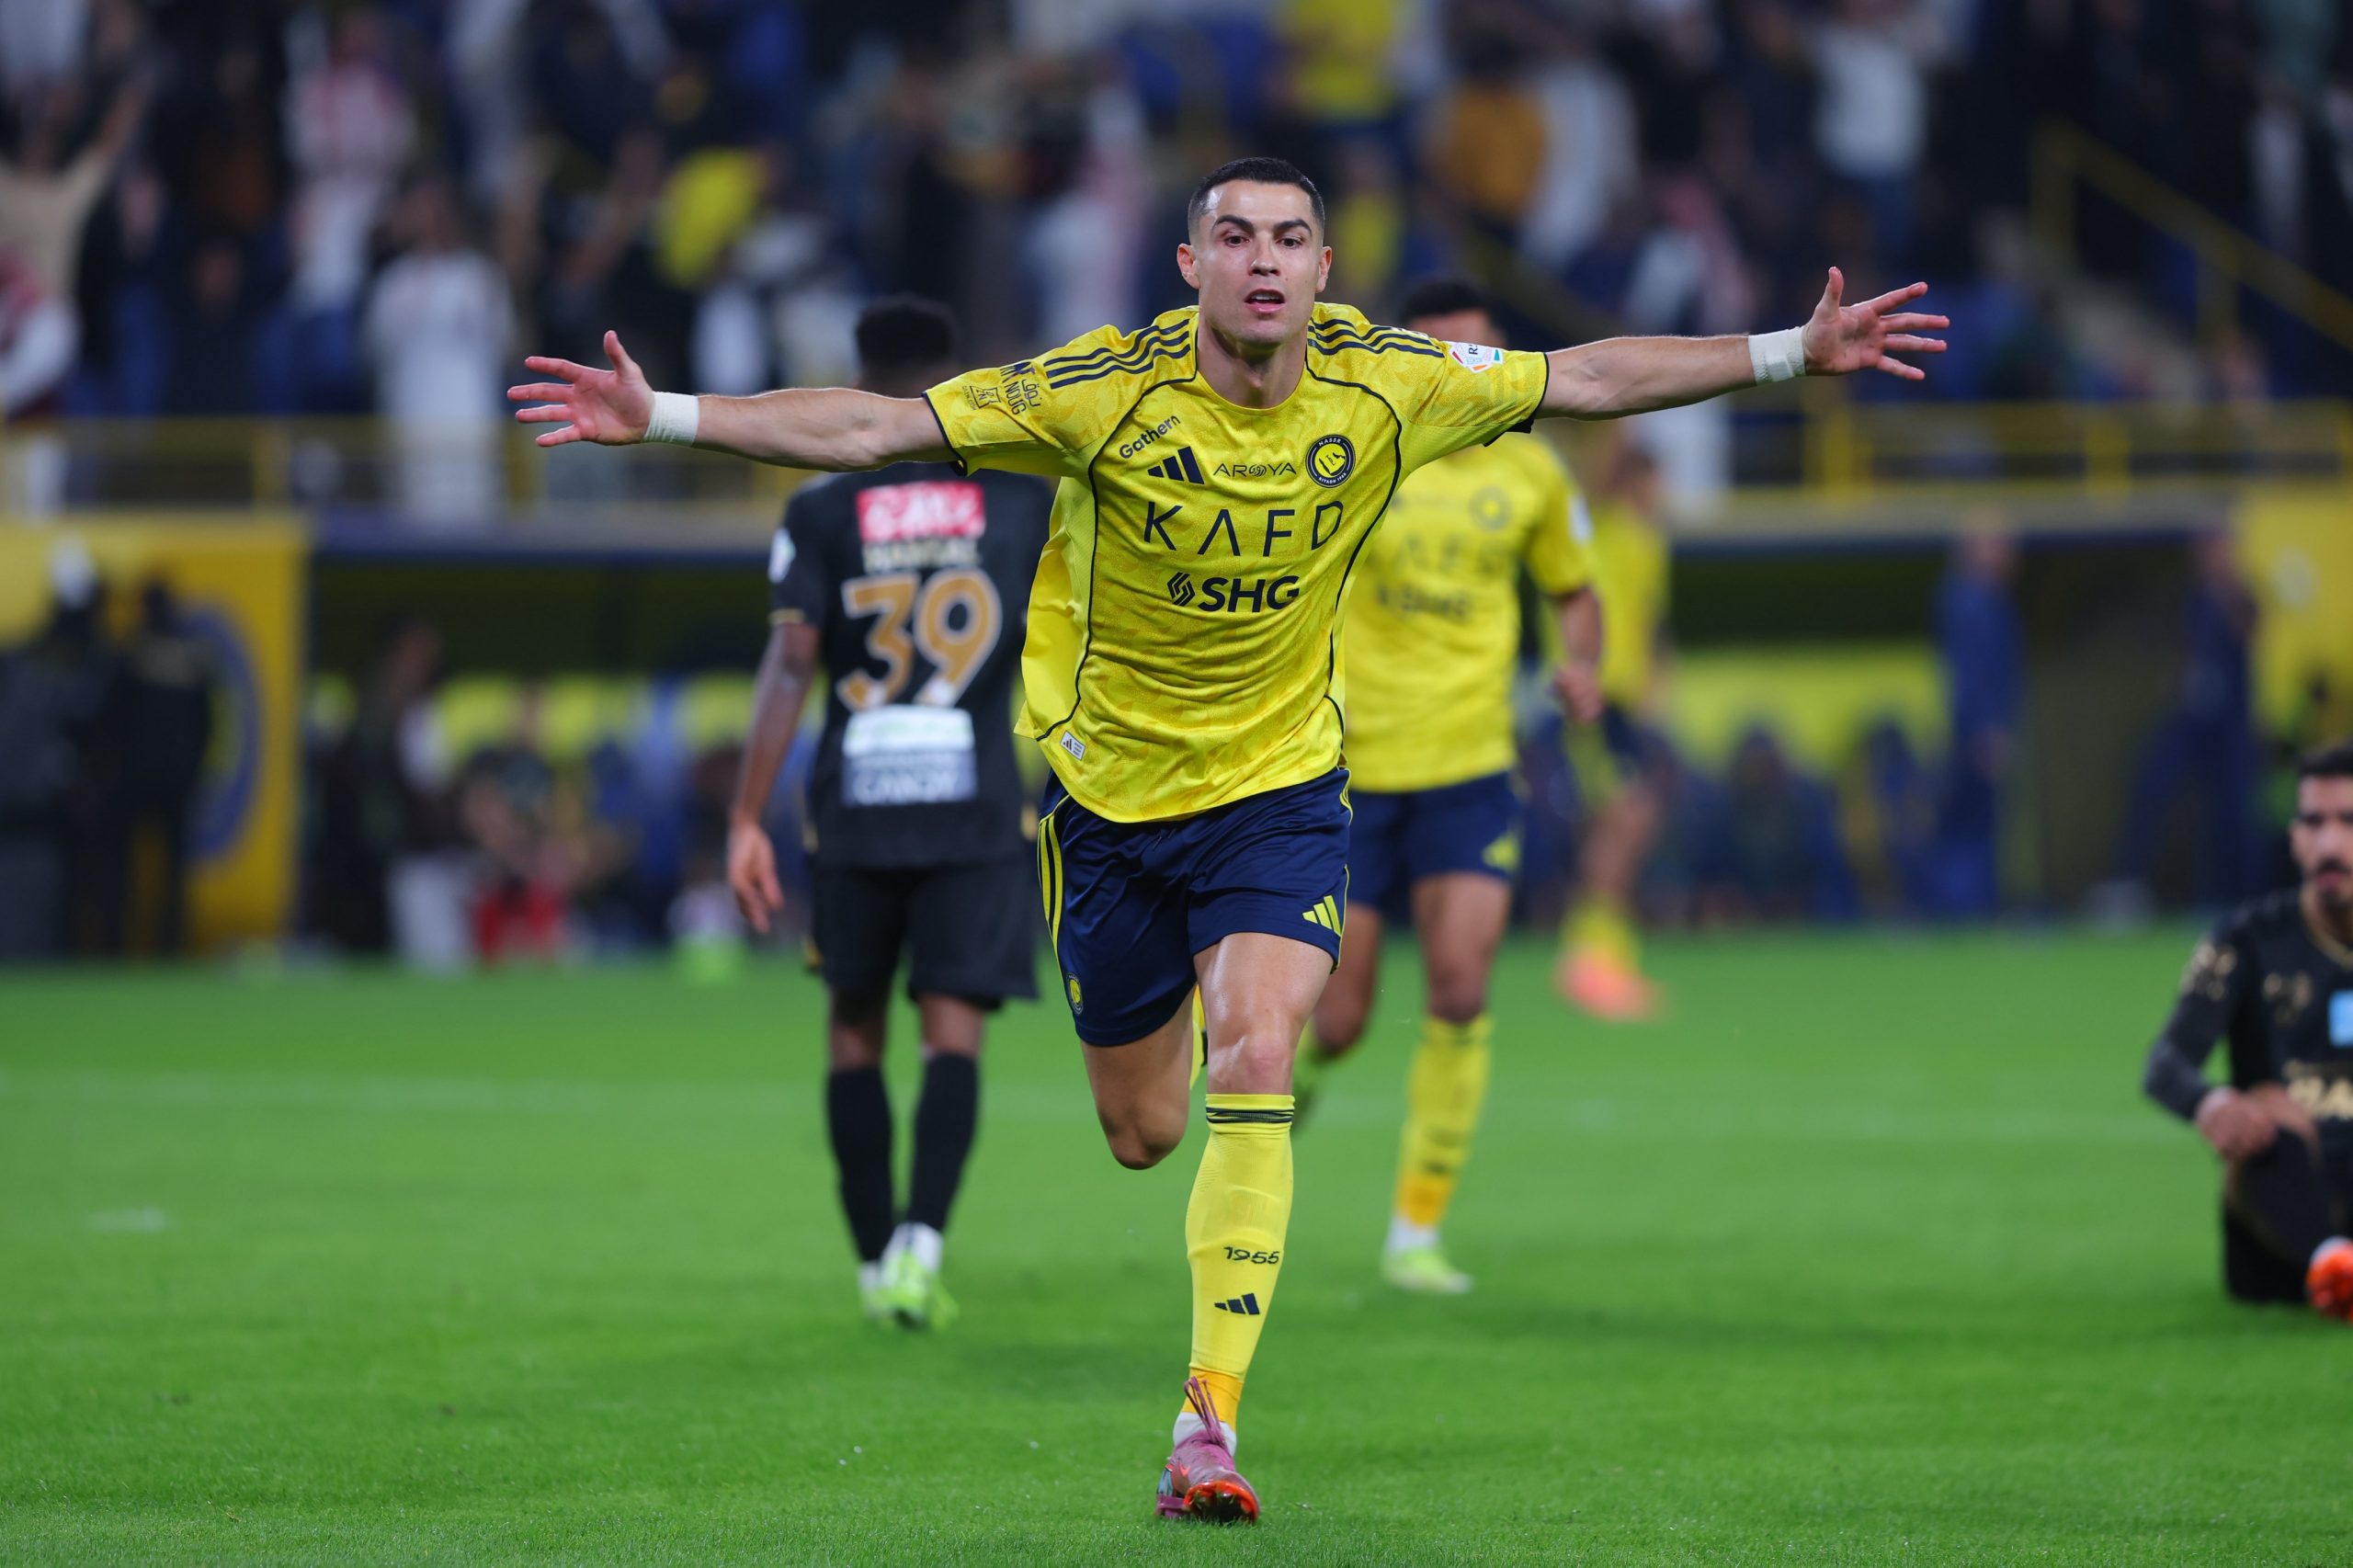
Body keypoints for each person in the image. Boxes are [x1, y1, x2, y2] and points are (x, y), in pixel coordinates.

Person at [511, 154, 1946, 1524]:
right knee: (1143, 1131)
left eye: (1291, 239)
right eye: (1238, 237)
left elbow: (1589, 378)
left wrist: (1788, 351)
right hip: (1115, 808)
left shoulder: (1389, 379)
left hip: (1283, 789)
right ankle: (1202, 1045)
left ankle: (1208, 1419)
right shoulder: (1097, 390)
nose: (1265, 260)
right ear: (1189, 262)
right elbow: (874, 428)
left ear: (1324, 269)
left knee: (1261, 1054)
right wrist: (670, 415)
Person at [724, 298, 1051, 1328]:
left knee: (853, 1030)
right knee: (953, 1031)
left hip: (856, 805)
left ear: (855, 385)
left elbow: (790, 663)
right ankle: (921, 1245)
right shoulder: (1018, 504)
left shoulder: (821, 511)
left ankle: (872, 1263)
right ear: (951, 381)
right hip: (975, 804)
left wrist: (744, 817)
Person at [1287, 276, 1604, 1297]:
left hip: (1470, 766)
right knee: (1339, 1020)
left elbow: (1575, 589)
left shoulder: (1535, 471)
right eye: (1441, 356)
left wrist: (1582, 664)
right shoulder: (1358, 448)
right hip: (1351, 770)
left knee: (1461, 987)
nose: (1462, 376)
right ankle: (1290, 1085)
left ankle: (1415, 1231)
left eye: (1477, 355)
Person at [2142, 739, 2353, 1319]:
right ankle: (2334, 1266)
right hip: (2283, 1215)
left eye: (2348, 822)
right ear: (2294, 838)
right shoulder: (2246, 940)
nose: (2330, 843)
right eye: (2313, 822)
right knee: (2267, 1114)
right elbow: (2165, 1062)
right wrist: (2213, 1103)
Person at [1558, 440, 1672, 1019]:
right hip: (1599, 696)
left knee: (1624, 821)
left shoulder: (1639, 539)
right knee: (1622, 820)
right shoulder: (1607, 529)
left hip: (1619, 699)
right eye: (1655, 483)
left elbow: (1647, 622)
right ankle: (1591, 961)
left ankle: (1604, 955)